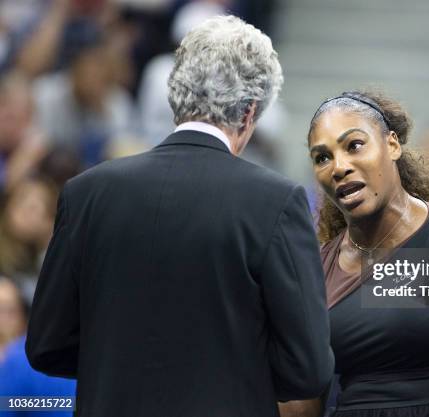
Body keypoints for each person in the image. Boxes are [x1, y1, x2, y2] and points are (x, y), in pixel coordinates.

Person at [26, 15, 334, 417]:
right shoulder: (278, 201)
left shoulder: (86, 192)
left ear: (177, 99)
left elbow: (47, 345)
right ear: (248, 115)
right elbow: (308, 370)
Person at [281, 91, 429, 417]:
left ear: (392, 144)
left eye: (354, 145)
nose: (339, 167)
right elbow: (304, 403)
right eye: (322, 157)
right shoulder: (318, 268)